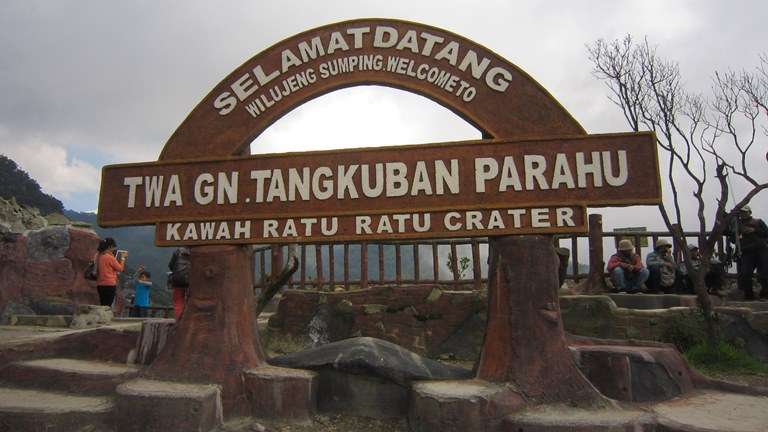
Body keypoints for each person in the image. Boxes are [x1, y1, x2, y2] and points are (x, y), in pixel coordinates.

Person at [728, 205, 768, 300]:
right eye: (741, 212)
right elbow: (733, 239)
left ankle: (765, 295)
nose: (743, 214)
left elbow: (766, 232)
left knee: (765, 273)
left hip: (760, 249)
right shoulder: (736, 225)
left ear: (750, 212)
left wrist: (753, 230)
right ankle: (749, 296)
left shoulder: (758, 222)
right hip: (746, 251)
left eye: (745, 212)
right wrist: (738, 233)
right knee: (745, 274)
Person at [95, 237, 127, 308]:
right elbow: (120, 268)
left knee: (103, 304)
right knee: (108, 306)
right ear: (110, 246)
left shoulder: (99, 255)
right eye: (113, 247)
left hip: (100, 284)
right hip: (109, 284)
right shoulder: (110, 258)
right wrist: (123, 258)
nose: (114, 249)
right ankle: (106, 318)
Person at [168, 247, 191, 320]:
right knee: (191, 302)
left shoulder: (178, 251)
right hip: (191, 281)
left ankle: (178, 321)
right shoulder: (196, 251)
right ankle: (189, 320)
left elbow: (171, 265)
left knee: (178, 302)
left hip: (177, 281)